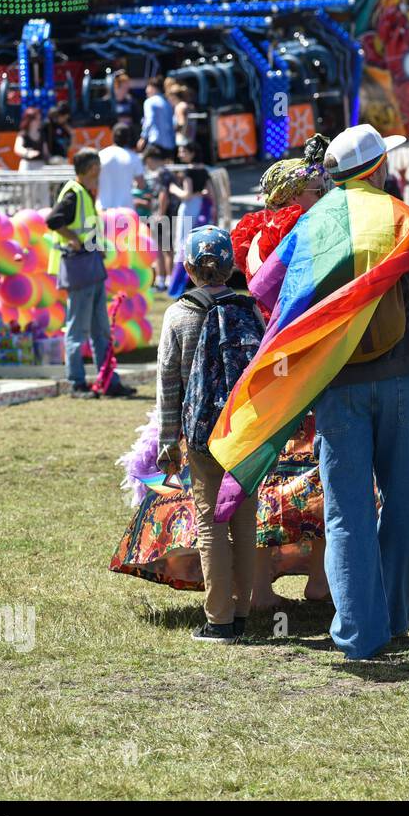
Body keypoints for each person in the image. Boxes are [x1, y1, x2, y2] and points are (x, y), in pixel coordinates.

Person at [206, 124, 409, 661]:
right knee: (399, 502)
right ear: (379, 169)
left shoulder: (313, 222)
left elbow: (265, 291)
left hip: (334, 383)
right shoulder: (406, 221)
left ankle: (357, 636)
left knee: (345, 511)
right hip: (398, 382)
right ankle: (395, 620)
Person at [154, 227, 265, 643]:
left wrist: (169, 440)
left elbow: (168, 383)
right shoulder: (247, 308)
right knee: (243, 518)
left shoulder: (178, 315)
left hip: (202, 434)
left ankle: (218, 620)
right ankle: (240, 614)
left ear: (187, 268)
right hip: (245, 431)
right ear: (231, 266)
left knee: (211, 523)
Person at [46, 148, 136, 399]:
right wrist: (75, 240)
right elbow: (53, 220)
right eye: (97, 166)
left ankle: (108, 380)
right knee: (77, 328)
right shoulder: (74, 193)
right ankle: (76, 382)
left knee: (101, 330)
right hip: (80, 267)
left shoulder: (84, 193)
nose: (100, 172)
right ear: (90, 168)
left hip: (91, 266)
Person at [169, 141, 210, 287]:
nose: (180, 154)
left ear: (192, 153)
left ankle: (178, 279)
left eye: (183, 151)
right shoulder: (204, 170)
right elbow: (209, 192)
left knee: (181, 242)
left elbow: (186, 194)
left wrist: (173, 189)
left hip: (188, 208)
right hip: (199, 206)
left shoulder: (188, 171)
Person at [140, 145, 178, 291]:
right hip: (169, 214)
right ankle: (166, 280)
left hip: (163, 216)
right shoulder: (167, 173)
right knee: (166, 249)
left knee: (163, 250)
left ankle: (165, 281)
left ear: (150, 159)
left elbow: (163, 195)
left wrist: (160, 214)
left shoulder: (160, 174)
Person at [97, 122, 146, 212]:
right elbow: (141, 185)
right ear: (128, 138)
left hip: (102, 209)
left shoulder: (101, 155)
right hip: (126, 210)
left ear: (113, 136)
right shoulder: (134, 158)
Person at [14, 107, 49, 210]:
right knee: (28, 194)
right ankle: (28, 215)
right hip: (28, 166)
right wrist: (28, 153)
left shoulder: (42, 134)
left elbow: (45, 151)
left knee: (44, 193)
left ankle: (44, 215)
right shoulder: (23, 134)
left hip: (41, 166)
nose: (39, 121)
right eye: (37, 119)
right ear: (30, 120)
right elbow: (17, 148)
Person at [138, 76, 175, 154]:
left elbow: (149, 120)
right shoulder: (167, 103)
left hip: (156, 143)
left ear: (153, 88)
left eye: (148, 87)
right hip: (170, 145)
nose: (146, 90)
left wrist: (143, 137)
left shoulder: (149, 102)